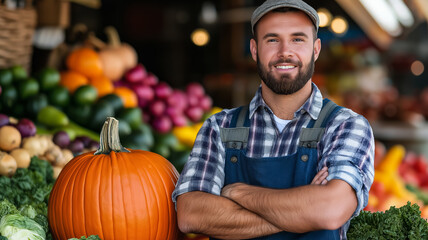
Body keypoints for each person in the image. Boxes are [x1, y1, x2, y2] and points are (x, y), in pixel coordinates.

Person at [172, 0, 375, 239]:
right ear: (255, 49)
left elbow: (330, 210)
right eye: (272, 39)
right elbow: (190, 215)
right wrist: (305, 212)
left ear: (316, 49)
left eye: (298, 39)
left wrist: (239, 194)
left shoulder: (345, 126)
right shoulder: (220, 128)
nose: (285, 52)